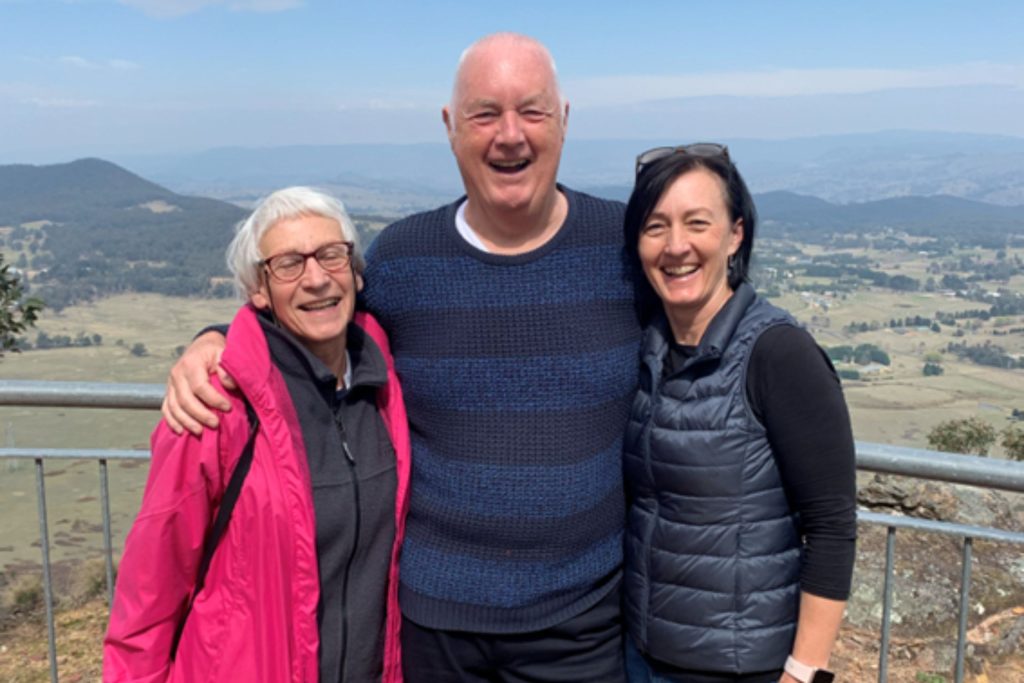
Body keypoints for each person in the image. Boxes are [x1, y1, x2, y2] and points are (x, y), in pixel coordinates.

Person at [160, 34, 640, 682]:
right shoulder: (404, 258)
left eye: (531, 111)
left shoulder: (625, 246)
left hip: (582, 624)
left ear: (564, 119)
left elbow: (714, 317)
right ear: (449, 127)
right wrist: (215, 337)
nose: (510, 135)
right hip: (433, 627)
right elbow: (316, 321)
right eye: (484, 113)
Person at [104, 187, 411, 683]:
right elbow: (149, 598)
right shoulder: (216, 405)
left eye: (332, 255)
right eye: (289, 263)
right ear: (259, 290)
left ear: (355, 270)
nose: (316, 278)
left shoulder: (386, 385)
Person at [621, 145, 857, 683]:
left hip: (742, 668)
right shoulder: (649, 349)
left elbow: (831, 525)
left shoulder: (779, 353)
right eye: (655, 227)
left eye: (697, 223)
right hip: (642, 655)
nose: (676, 246)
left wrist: (805, 672)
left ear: (735, 234)